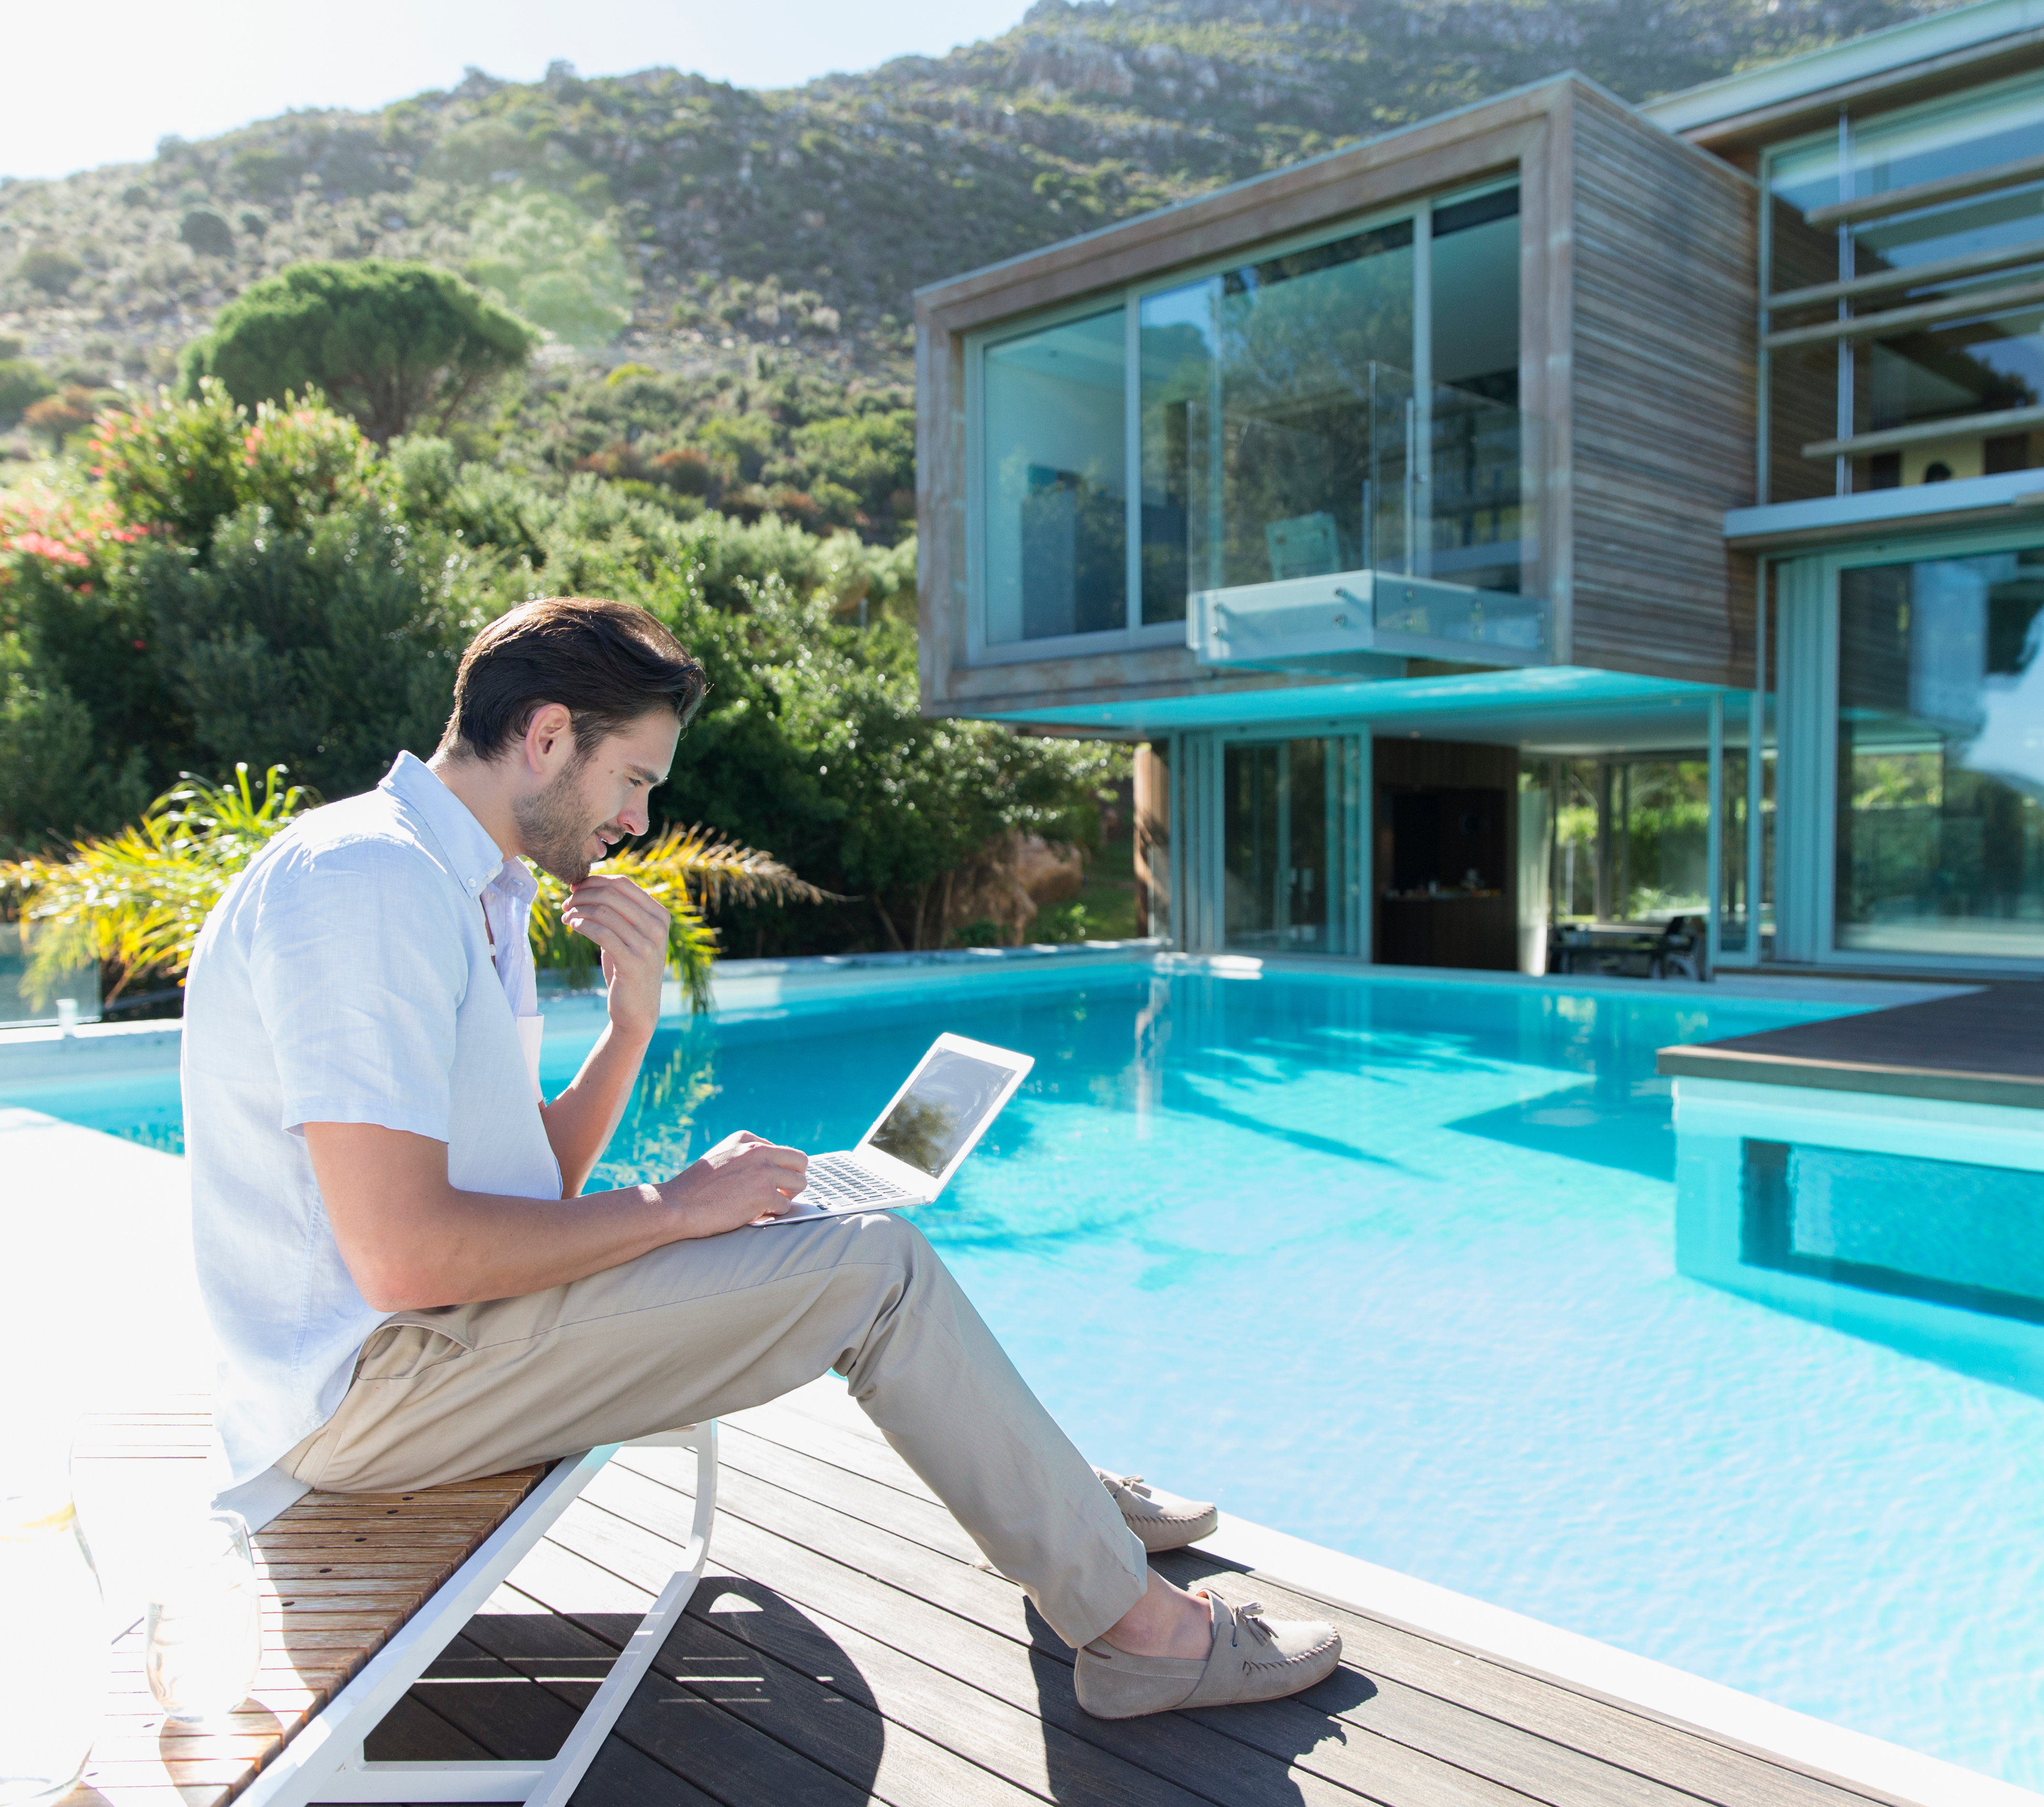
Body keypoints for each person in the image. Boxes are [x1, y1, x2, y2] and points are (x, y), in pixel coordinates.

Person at [181, 596, 1340, 1720]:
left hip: (440, 1348)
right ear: (545, 738)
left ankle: (1059, 1506)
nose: (636, 819)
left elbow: (528, 1184)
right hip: (369, 1396)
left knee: (824, 1238)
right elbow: (405, 1256)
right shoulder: (363, 883)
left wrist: (630, 1030)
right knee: (869, 1268)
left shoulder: (474, 889)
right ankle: (1140, 1640)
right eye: (634, 778)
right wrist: (676, 1207)